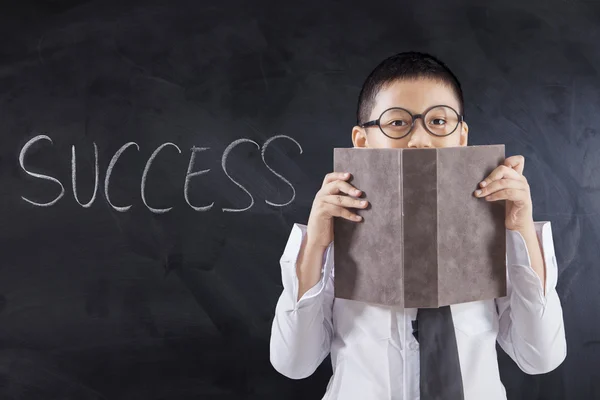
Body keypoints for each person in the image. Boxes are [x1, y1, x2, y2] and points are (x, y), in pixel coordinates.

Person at [269, 51, 567, 400]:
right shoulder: (336, 232)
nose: (420, 140)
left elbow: (541, 357)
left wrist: (521, 229)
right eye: (397, 122)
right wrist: (317, 245)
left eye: (439, 121)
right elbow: (293, 363)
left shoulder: (495, 230)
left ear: (461, 136)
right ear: (362, 141)